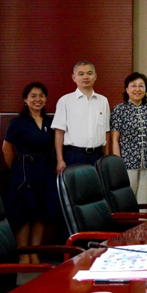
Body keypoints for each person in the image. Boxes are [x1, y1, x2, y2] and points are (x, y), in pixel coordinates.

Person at [2, 82, 58, 264]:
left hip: (45, 171)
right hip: (23, 172)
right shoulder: (17, 123)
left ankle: (35, 252)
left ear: (46, 99)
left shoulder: (50, 122)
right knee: (24, 214)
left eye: (41, 96)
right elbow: (6, 149)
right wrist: (16, 169)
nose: (37, 99)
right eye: (33, 96)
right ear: (25, 100)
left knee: (41, 212)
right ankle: (23, 254)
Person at [52, 61, 110, 171]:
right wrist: (60, 159)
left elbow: (106, 131)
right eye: (81, 74)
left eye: (89, 73)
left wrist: (106, 157)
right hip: (74, 155)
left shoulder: (103, 100)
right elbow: (59, 132)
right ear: (74, 77)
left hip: (97, 155)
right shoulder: (65, 101)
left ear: (95, 76)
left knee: (98, 183)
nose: (86, 77)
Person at [111, 72, 147, 204]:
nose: (137, 89)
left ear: (146, 89)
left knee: (144, 201)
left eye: (141, 86)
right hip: (127, 163)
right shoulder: (119, 110)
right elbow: (114, 139)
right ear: (127, 89)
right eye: (133, 86)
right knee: (128, 200)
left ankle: (144, 219)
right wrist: (118, 164)